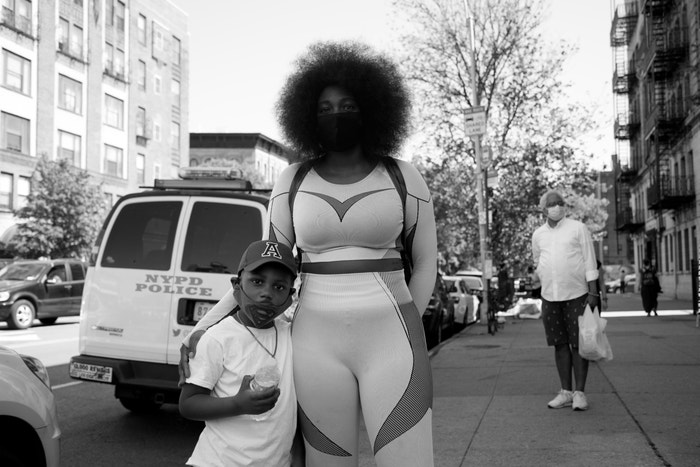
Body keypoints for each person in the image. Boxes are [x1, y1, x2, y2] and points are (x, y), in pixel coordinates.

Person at [180, 41, 438, 466]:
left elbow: (427, 261)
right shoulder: (292, 179)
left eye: (347, 104)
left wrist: (411, 318)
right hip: (314, 344)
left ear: (371, 107)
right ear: (306, 117)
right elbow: (264, 268)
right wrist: (204, 326)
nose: (336, 115)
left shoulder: (403, 175)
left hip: (395, 338)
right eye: (324, 108)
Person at [179, 240, 302, 466]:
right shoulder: (217, 339)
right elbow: (188, 404)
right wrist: (238, 404)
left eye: (279, 287)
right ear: (237, 285)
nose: (267, 294)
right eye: (257, 281)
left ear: (290, 296)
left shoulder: (293, 335)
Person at [531, 190, 600, 412]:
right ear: (543, 209)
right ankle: (566, 392)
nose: (557, 206)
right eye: (552, 204)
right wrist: (542, 273)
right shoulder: (538, 234)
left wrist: (593, 293)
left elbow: (590, 260)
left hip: (577, 295)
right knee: (559, 344)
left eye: (560, 203)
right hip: (550, 296)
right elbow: (536, 260)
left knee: (579, 345)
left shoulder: (577, 228)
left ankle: (580, 393)